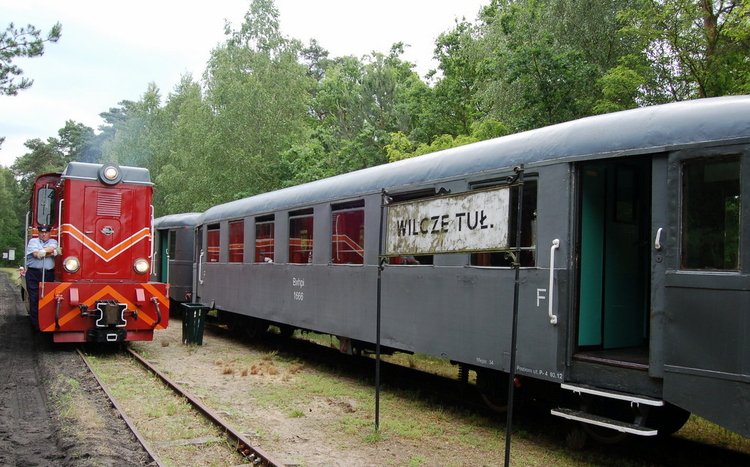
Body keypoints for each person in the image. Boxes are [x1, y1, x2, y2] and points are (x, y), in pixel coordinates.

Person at [25, 225, 58, 329]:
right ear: (38, 233)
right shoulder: (33, 241)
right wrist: (51, 252)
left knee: (47, 300)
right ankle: (35, 325)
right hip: (33, 274)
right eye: (42, 232)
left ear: (50, 233)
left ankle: (47, 324)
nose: (44, 234)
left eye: (46, 232)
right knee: (34, 299)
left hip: (48, 274)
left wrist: (43, 252)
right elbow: (36, 255)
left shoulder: (53, 242)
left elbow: (49, 249)